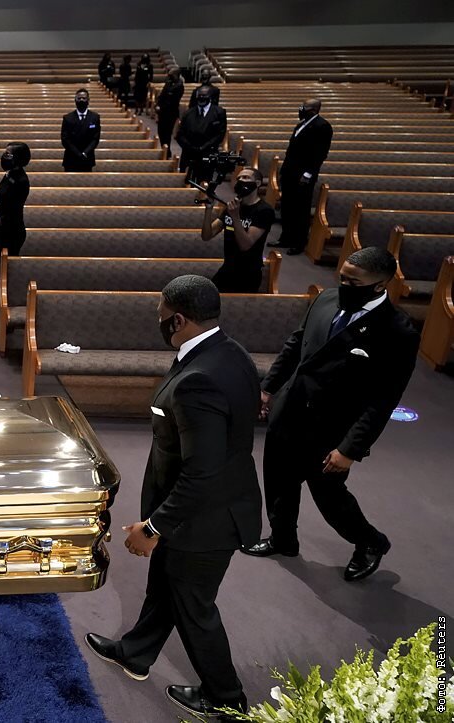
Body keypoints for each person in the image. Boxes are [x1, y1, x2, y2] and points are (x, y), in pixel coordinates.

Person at [85, 275, 258, 723]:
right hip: (210, 505)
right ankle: (135, 653)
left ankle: (227, 699)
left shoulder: (198, 380)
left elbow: (202, 472)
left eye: (160, 314)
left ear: (178, 320)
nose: (157, 320)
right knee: (165, 586)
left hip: (204, 519)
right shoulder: (230, 351)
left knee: (194, 608)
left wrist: (153, 527)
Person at [245, 247, 419, 582]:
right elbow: (295, 344)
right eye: (342, 277)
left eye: (354, 282)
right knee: (279, 481)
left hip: (332, 429)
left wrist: (350, 449)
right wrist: (268, 388)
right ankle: (283, 539)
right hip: (291, 408)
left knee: (329, 497)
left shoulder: (397, 331)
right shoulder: (326, 299)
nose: (344, 286)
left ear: (380, 284)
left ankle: (370, 541)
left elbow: (383, 400)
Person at [272, 99, 334, 255]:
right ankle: (285, 237)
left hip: (303, 175)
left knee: (300, 210)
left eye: (303, 107)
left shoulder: (323, 126)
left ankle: (298, 243)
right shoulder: (302, 124)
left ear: (313, 110)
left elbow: (320, 154)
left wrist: (308, 174)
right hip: (289, 172)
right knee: (287, 207)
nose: (300, 109)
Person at [201, 168, 274, 293]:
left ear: (257, 183)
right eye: (239, 178)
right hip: (228, 268)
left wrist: (235, 216)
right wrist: (208, 209)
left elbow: (245, 245)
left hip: (248, 274)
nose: (241, 180)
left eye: (246, 177)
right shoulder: (234, 206)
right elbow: (207, 235)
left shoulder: (264, 211)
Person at [0, 143, 31, 286]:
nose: (4, 157)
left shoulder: (21, 180)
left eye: (8, 154)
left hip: (12, 231)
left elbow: (14, 209)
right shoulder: (9, 174)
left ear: (18, 158)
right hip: (2, 229)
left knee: (6, 273)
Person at [176, 87, 227, 183]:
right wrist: (190, 147)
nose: (201, 99)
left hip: (207, 153)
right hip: (189, 154)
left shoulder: (219, 112)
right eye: (199, 97)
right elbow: (180, 135)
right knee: (186, 182)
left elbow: (220, 135)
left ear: (209, 98)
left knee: (204, 183)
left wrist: (204, 147)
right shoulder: (188, 113)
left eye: (204, 97)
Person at [61, 88, 101, 172]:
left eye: (84, 98)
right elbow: (65, 139)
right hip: (71, 158)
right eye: (79, 98)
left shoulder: (95, 117)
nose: (81, 100)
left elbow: (95, 139)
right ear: (75, 100)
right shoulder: (67, 118)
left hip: (87, 158)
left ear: (88, 100)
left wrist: (85, 153)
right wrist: (78, 154)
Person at [154, 68, 184, 159]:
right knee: (161, 132)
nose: (169, 76)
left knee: (167, 134)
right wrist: (158, 105)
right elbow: (162, 95)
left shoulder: (179, 86)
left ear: (176, 75)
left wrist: (161, 107)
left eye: (171, 75)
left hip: (171, 113)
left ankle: (166, 153)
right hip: (162, 112)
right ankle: (164, 150)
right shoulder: (168, 83)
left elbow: (173, 101)